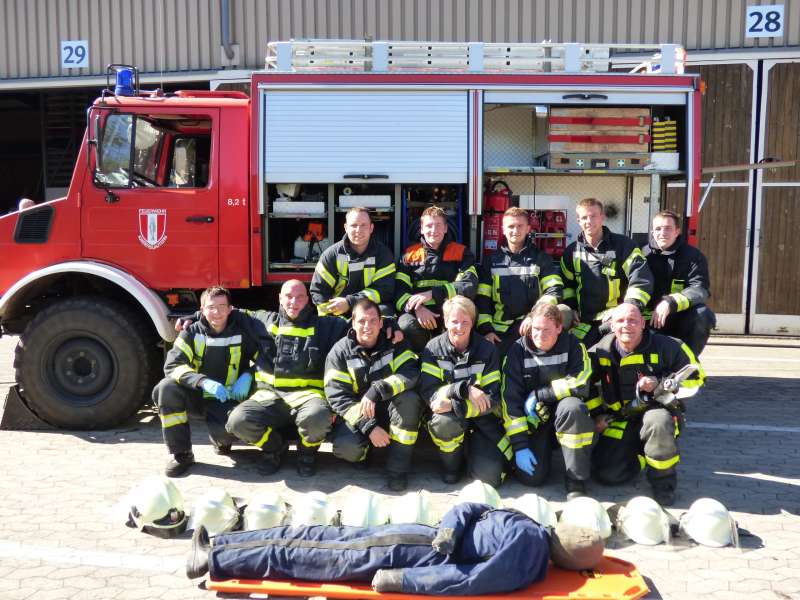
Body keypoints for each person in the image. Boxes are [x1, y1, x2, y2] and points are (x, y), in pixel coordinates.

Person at [186, 502, 604, 594]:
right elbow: (472, 508)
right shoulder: (530, 534)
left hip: (409, 552)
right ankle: (222, 549)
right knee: (316, 543)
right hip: (417, 542)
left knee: (313, 549)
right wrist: (451, 529)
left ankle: (219, 554)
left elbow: (473, 580)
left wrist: (403, 580)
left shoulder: (527, 543)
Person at [224, 280, 349, 477]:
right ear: (280, 298)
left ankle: (307, 453)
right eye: (289, 297)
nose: (294, 302)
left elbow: (362, 324)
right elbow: (224, 312)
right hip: (269, 396)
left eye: (300, 297)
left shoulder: (326, 326)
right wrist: (193, 318)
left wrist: (391, 326)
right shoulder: (264, 320)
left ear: (308, 300)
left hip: (308, 397)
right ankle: (274, 448)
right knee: (237, 421)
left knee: (318, 416)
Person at [589, 303, 705, 506]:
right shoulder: (600, 351)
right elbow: (585, 384)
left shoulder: (669, 346)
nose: (627, 325)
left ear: (643, 323)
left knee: (658, 423)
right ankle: (641, 453)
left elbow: (697, 379)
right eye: (620, 321)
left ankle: (663, 484)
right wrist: (597, 414)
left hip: (656, 412)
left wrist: (660, 384)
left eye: (633, 320)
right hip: (621, 417)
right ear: (611, 325)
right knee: (608, 475)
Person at [153, 287, 259, 477]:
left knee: (229, 431)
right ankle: (182, 454)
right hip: (198, 394)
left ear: (230, 309)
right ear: (202, 310)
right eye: (211, 307)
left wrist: (249, 375)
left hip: (227, 397)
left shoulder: (243, 332)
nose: (217, 313)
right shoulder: (191, 332)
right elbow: (172, 365)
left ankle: (220, 440)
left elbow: (265, 359)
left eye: (221, 307)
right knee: (166, 388)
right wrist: (202, 381)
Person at [325, 298, 424, 492]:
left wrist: (377, 389)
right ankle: (364, 453)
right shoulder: (339, 352)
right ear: (353, 323)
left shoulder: (395, 342)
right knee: (345, 446)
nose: (367, 326)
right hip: (360, 415)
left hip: (390, 408)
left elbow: (411, 373)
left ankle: (398, 470)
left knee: (410, 400)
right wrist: (369, 427)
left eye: (372, 321)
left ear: (381, 323)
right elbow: (337, 397)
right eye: (361, 321)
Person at [501, 303, 594, 499]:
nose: (539, 335)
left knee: (574, 408)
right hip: (536, 422)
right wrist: (520, 446)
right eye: (536, 328)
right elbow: (510, 400)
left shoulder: (573, 345)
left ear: (559, 328)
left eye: (546, 330)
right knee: (532, 478)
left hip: (565, 415)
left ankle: (576, 480)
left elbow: (581, 381)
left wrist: (539, 395)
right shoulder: (517, 351)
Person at [419, 296, 509, 486]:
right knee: (444, 424)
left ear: (473, 322)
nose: (459, 327)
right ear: (444, 321)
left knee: (490, 479)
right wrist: (464, 390)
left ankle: (472, 454)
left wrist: (454, 404)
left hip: (482, 421)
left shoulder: (488, 350)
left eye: (465, 322)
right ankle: (452, 466)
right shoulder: (432, 349)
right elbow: (429, 393)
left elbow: (492, 399)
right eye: (454, 321)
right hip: (448, 418)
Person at [560, 198, 654, 348]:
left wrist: (626, 308)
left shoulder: (624, 246)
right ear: (578, 220)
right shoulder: (571, 252)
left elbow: (641, 280)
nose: (589, 221)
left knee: (611, 349)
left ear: (602, 217)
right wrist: (571, 307)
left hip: (617, 317)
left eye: (593, 216)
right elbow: (567, 285)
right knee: (574, 349)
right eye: (584, 217)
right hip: (585, 320)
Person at [477, 207, 564, 356]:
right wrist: (487, 331)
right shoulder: (492, 261)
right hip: (499, 332)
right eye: (511, 226)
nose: (515, 230)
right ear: (503, 229)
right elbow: (482, 299)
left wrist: (533, 316)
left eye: (520, 226)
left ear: (528, 228)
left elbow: (554, 290)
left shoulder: (540, 258)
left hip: (532, 328)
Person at [395, 206, 479, 352]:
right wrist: (417, 309)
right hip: (421, 316)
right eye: (429, 225)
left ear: (446, 228)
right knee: (405, 325)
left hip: (453, 313)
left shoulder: (461, 253)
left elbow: (469, 286)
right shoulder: (409, 255)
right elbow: (399, 291)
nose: (433, 230)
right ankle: (421, 359)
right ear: (421, 229)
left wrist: (432, 294)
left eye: (438, 225)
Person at [643, 210, 716, 356]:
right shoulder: (641, 255)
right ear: (652, 232)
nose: (662, 232)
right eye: (658, 228)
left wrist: (670, 303)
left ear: (677, 231)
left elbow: (700, 289)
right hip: (647, 317)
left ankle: (686, 363)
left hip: (679, 316)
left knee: (702, 314)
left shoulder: (693, 256)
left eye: (668, 228)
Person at [310, 207, 396, 318]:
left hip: (370, 310)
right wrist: (333, 320)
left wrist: (350, 302)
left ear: (371, 228)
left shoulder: (383, 254)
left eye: (363, 225)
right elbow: (319, 292)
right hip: (338, 312)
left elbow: (384, 290)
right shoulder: (331, 255)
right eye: (354, 225)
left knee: (385, 313)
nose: (358, 230)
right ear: (346, 228)